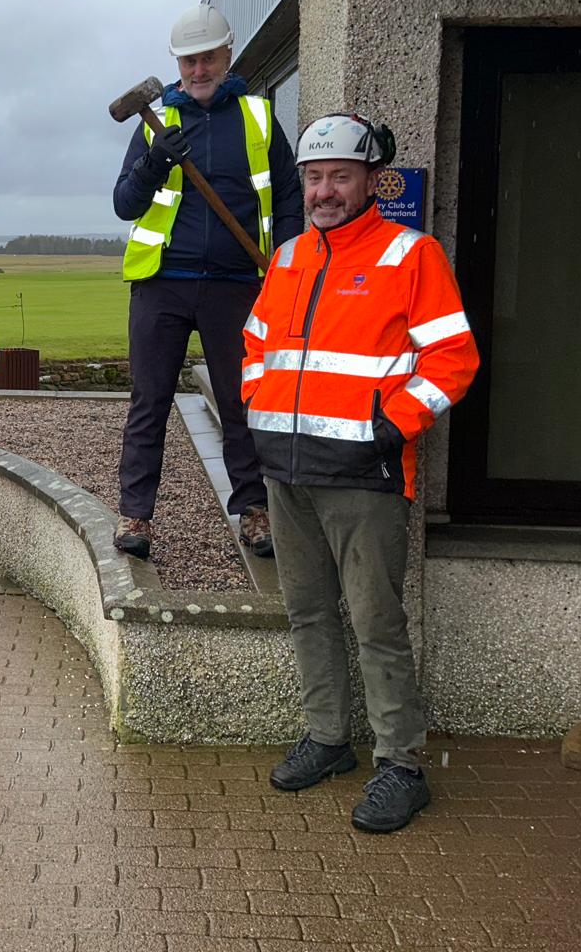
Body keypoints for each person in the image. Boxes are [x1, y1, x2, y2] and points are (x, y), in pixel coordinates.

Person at [242, 114, 480, 834]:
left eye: (340, 176)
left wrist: (391, 424)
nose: (325, 191)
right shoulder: (289, 257)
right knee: (309, 611)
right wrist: (256, 405)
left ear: (372, 181)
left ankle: (401, 766)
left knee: (376, 622)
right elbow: (255, 344)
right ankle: (327, 738)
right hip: (288, 471)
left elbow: (453, 359)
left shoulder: (412, 255)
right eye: (314, 178)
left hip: (365, 476)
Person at [112, 0, 303, 561]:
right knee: (149, 401)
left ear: (228, 55)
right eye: (189, 61)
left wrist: (284, 262)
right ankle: (136, 514)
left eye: (209, 58)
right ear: (177, 64)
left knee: (242, 401)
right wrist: (155, 162)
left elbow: (289, 196)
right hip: (162, 283)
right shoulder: (158, 122)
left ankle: (253, 510)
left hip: (236, 283)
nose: (199, 70)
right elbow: (125, 204)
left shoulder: (258, 117)